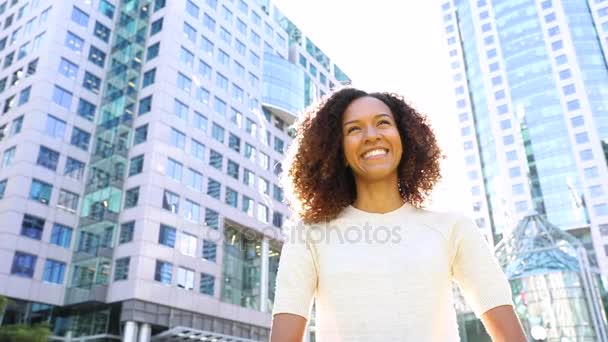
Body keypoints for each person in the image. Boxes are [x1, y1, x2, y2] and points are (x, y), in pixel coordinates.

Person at [269, 88, 526, 341]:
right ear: (338, 151)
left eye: (383, 123)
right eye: (354, 129)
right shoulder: (309, 234)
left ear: (405, 138)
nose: (371, 135)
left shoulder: (454, 228)